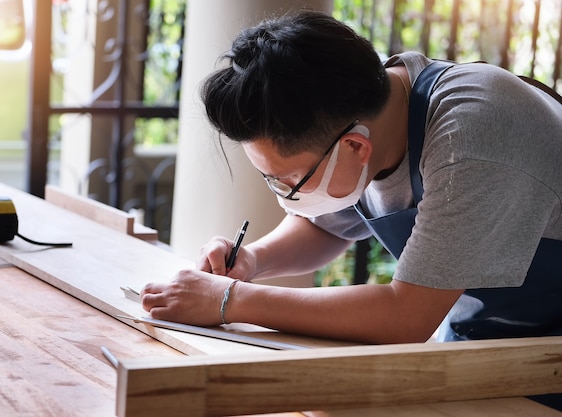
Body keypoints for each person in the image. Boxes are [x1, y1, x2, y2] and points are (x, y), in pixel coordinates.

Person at [141, 11, 562, 347]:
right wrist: (252, 261)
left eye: (290, 179)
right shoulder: (365, 114)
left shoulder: (471, 134)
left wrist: (229, 302)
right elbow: (324, 227)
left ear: (356, 148)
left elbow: (406, 315)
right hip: (496, 346)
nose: (287, 194)